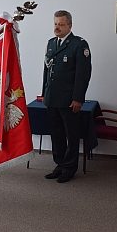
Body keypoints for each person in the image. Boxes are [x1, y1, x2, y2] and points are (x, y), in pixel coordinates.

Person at [42, 10, 92, 183]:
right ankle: (60, 164)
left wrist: (78, 98)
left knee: (71, 134)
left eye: (61, 24)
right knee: (56, 134)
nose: (57, 27)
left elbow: (83, 74)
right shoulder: (51, 43)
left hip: (69, 99)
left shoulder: (79, 45)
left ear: (70, 25)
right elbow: (47, 71)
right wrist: (44, 93)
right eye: (55, 23)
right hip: (52, 98)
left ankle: (69, 168)